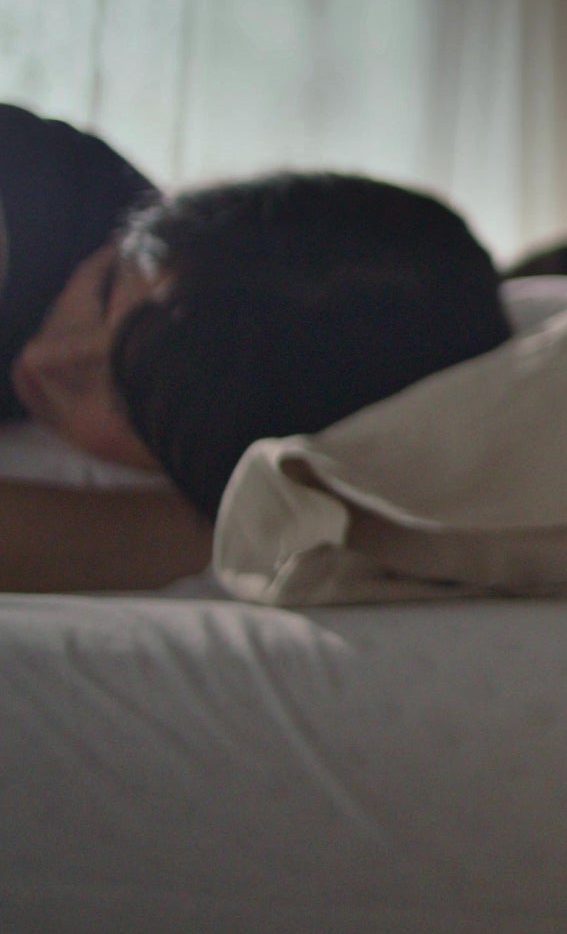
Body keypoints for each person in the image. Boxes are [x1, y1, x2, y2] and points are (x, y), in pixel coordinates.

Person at [0, 106, 512, 591]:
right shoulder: (42, 191)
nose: (49, 359)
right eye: (104, 290)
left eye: (121, 398)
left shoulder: (222, 447)